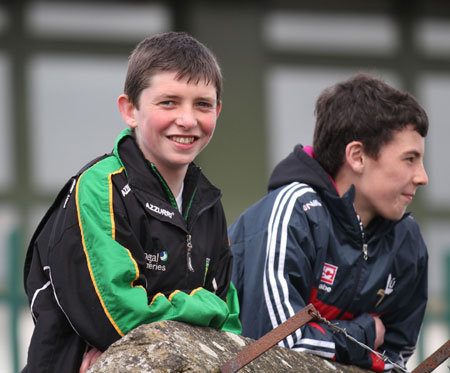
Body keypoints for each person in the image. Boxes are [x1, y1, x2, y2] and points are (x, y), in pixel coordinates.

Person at [23, 31, 241, 373]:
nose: (187, 119)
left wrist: (207, 316)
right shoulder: (99, 188)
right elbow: (119, 319)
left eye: (203, 104)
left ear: (218, 110)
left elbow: (230, 331)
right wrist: (203, 307)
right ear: (130, 110)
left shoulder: (208, 203)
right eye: (168, 102)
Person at [229, 73, 429, 372]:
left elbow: (394, 361)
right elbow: (276, 343)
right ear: (357, 156)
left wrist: (334, 340)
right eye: (409, 159)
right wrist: (364, 333)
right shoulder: (293, 213)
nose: (422, 177)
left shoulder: (407, 240)